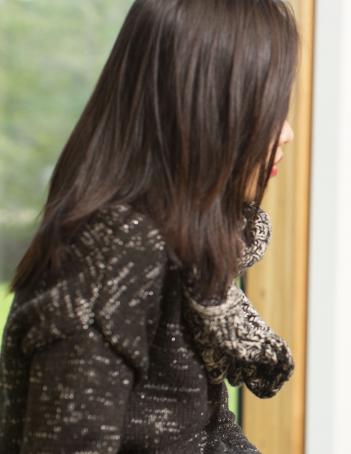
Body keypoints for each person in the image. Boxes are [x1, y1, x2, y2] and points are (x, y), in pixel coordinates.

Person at [0, 0, 299, 451]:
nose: (288, 133)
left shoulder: (182, 249)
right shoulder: (112, 253)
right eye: (268, 106)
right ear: (204, 107)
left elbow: (204, 432)